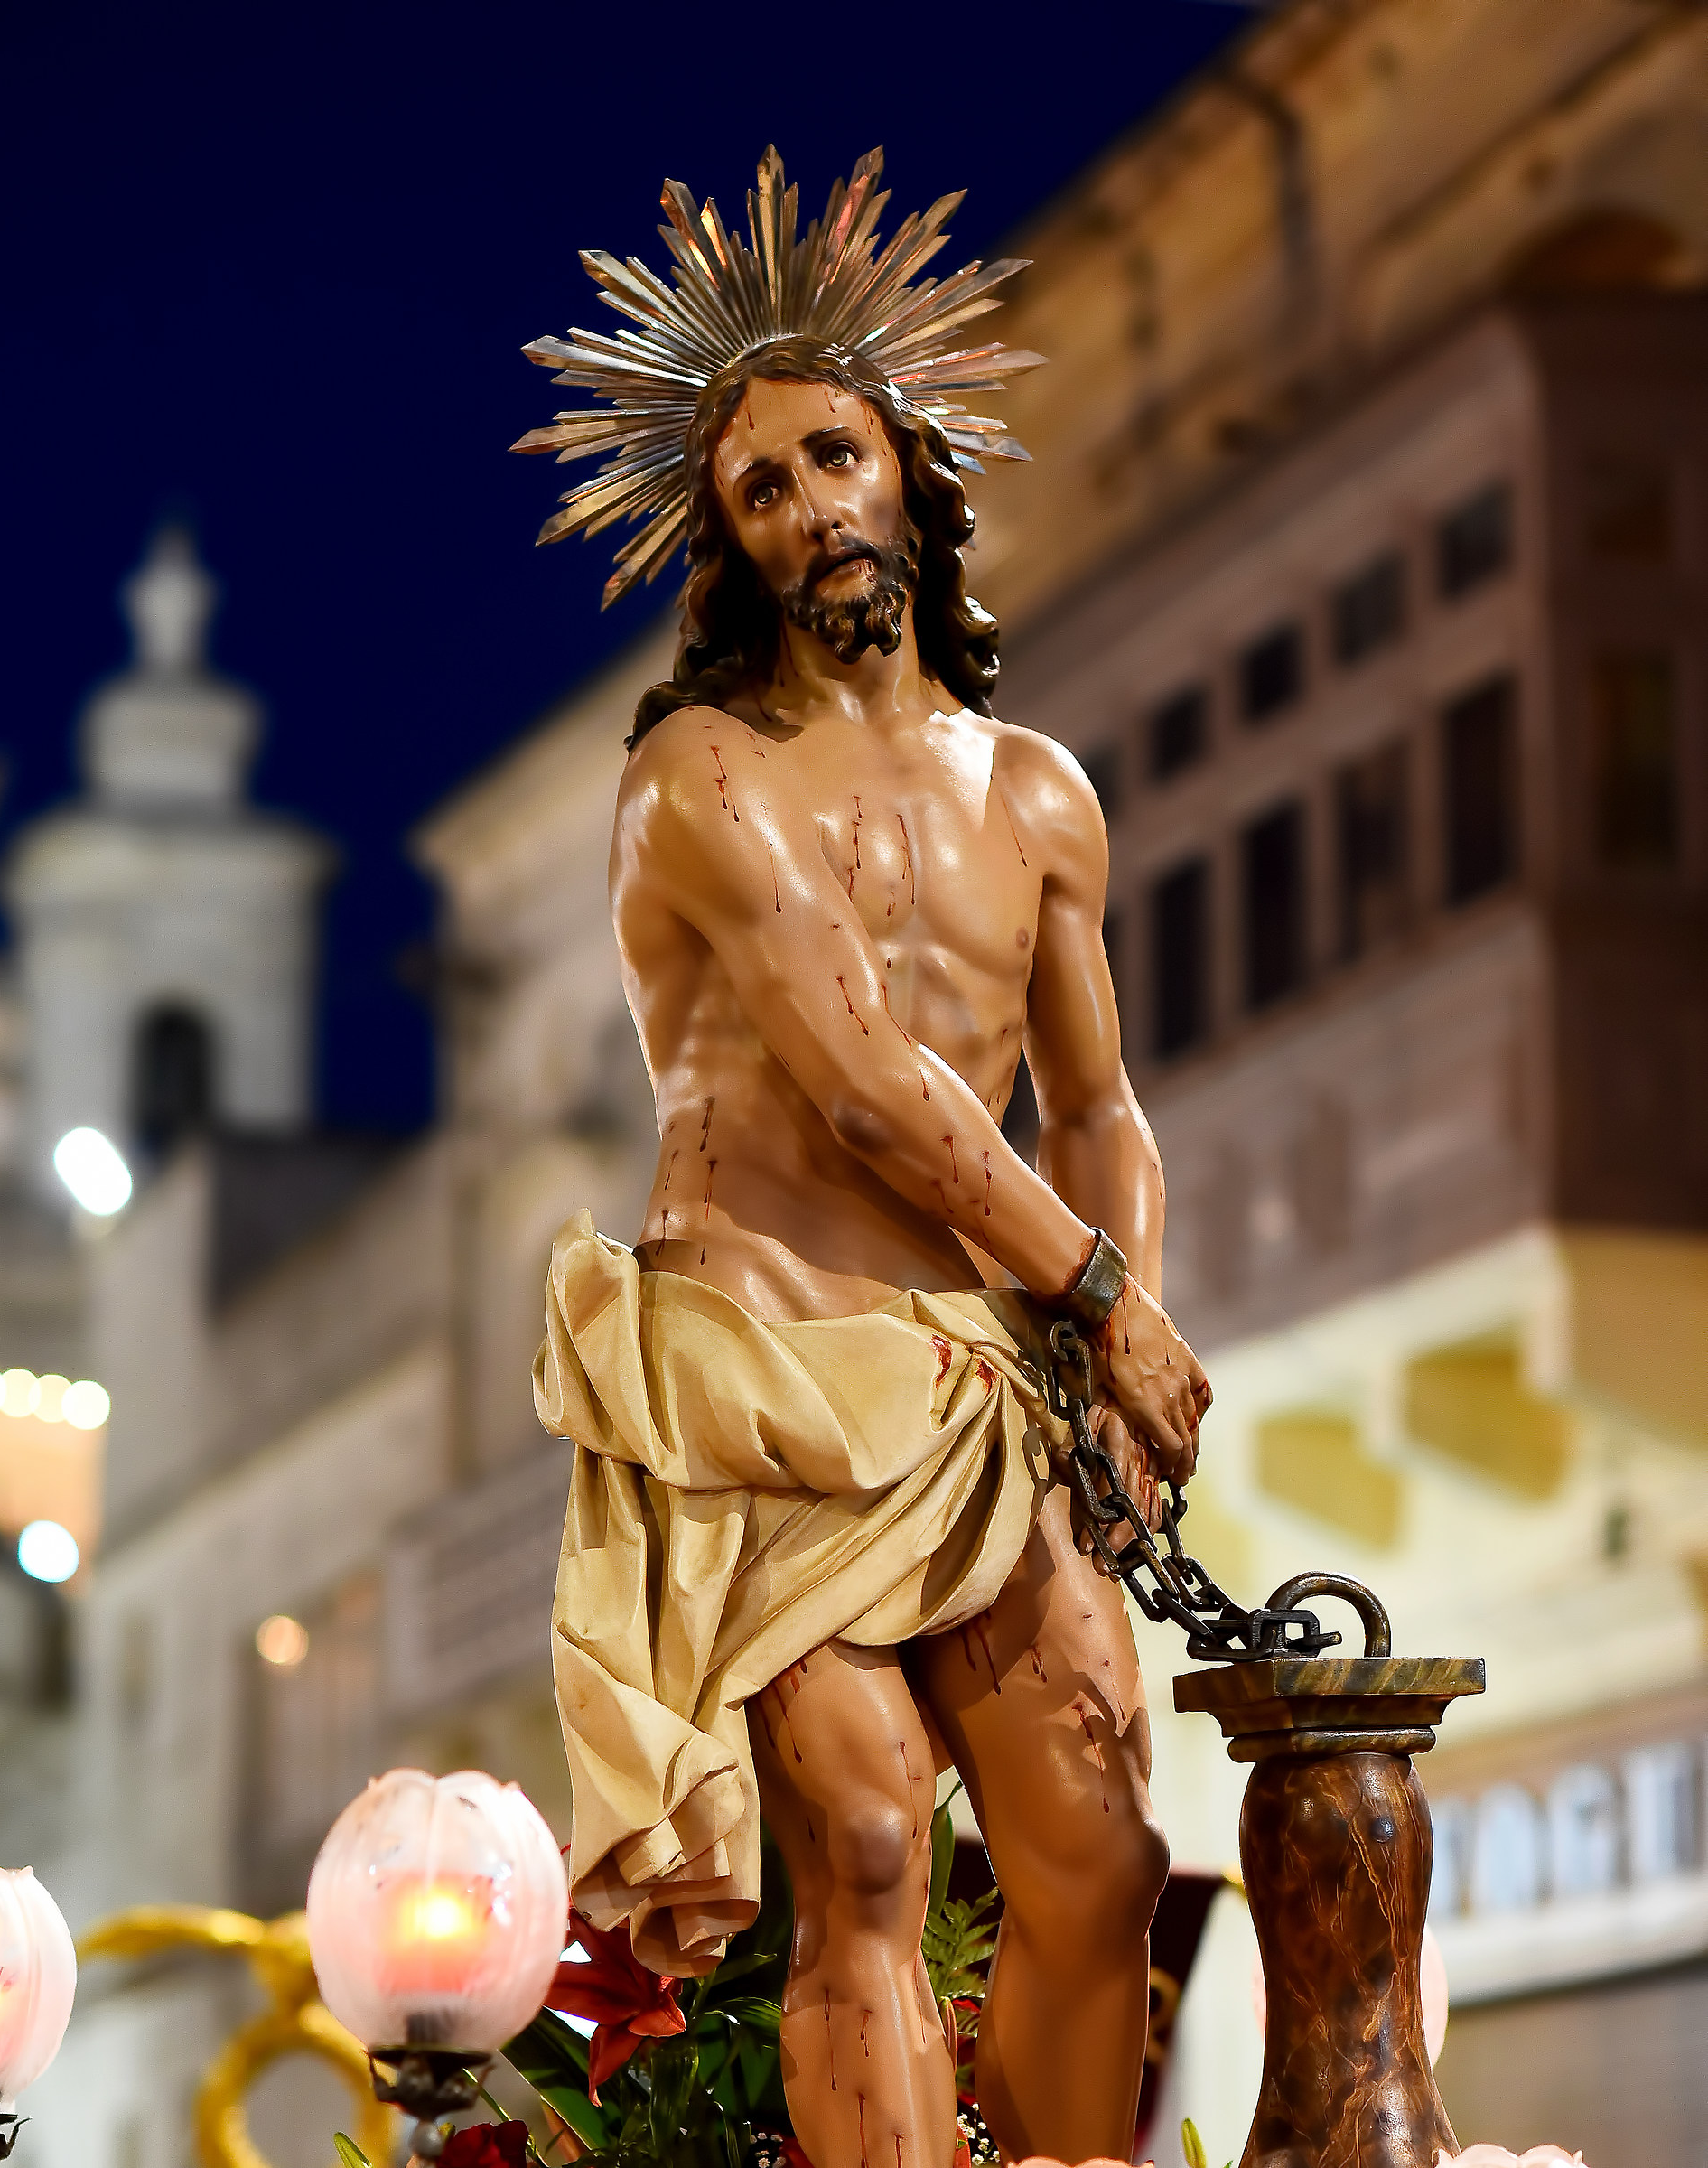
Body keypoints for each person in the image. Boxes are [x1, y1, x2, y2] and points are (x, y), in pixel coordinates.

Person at [524, 150, 1210, 2168]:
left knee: (1098, 1842)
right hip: (763, 1380)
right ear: (729, 543)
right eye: (762, 488)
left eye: (834, 455)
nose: (812, 504)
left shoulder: (1039, 796)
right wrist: (1101, 1294)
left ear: (905, 464)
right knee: (867, 1841)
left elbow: (1093, 1104)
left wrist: (1112, 1350)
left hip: (980, 1387)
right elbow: (861, 1084)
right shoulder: (698, 775)